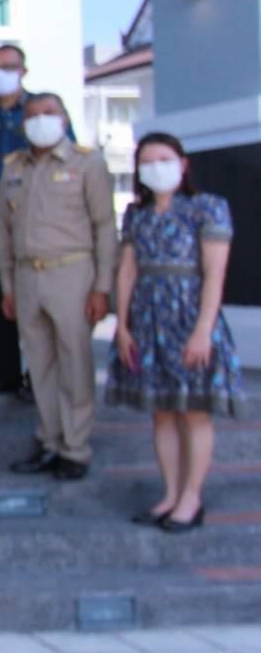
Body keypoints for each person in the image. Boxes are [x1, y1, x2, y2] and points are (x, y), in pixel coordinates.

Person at [110, 133, 243, 533]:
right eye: (147, 162)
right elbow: (127, 271)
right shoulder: (137, 213)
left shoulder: (207, 207)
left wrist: (203, 329)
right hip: (147, 321)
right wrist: (122, 325)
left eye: (164, 159)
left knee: (193, 412)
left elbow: (215, 274)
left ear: (183, 164)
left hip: (189, 316)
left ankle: (191, 497)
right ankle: (169, 493)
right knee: (162, 412)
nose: (157, 168)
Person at [0, 93, 116, 481]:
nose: (40, 120)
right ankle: (49, 440)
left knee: (74, 363)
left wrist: (102, 287)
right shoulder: (13, 167)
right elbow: (3, 231)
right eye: (32, 115)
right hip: (27, 276)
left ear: (64, 119)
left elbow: (104, 227)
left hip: (72, 274)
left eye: (48, 113)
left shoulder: (87, 163)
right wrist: (7, 286)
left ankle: (75, 448)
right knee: (40, 365)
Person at [0, 44, 60, 398]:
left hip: (38, 224)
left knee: (40, 303)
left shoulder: (41, 110)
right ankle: (4, 374)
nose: (2, 73)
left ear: (23, 70)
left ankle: (39, 378)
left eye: (8, 66)